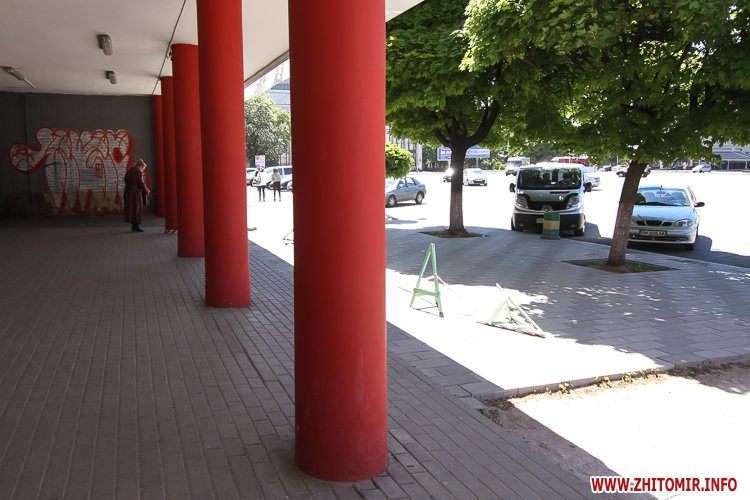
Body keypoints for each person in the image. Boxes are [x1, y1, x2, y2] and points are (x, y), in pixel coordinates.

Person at [123, 159, 150, 232]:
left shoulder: (130, 171)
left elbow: (125, 179)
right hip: (135, 193)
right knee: (136, 209)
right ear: (140, 166)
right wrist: (146, 190)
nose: (143, 170)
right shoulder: (138, 172)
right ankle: (136, 226)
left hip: (128, 192)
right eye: (143, 168)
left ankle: (134, 225)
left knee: (131, 208)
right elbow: (141, 183)